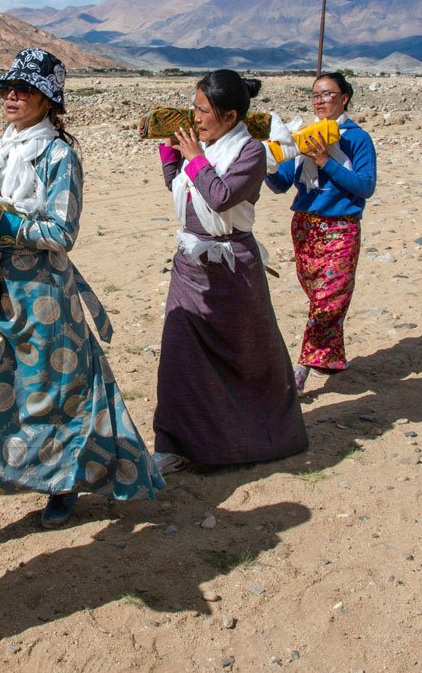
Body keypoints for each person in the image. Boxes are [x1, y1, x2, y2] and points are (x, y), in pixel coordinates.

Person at [0, 48, 160, 551]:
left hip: (44, 297)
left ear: (49, 99)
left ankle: (62, 484)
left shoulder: (60, 156)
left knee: (51, 399)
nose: (12, 96)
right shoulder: (5, 146)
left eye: (24, 89)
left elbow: (63, 231)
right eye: (7, 89)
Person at [152, 69, 308, 474]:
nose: (195, 117)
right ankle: (174, 444)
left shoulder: (251, 153)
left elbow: (220, 198)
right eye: (194, 108)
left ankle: (259, 437)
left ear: (231, 114)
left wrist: (194, 157)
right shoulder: (202, 149)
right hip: (190, 265)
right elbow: (180, 186)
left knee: (247, 356)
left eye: (203, 110)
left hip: (232, 269)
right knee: (180, 355)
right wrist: (171, 152)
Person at [265, 72, 377, 393]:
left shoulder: (357, 139)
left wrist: (326, 161)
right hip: (305, 227)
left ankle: (301, 368)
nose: (320, 100)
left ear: (344, 98)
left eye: (327, 94)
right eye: (315, 95)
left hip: (340, 226)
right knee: (319, 296)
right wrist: (268, 165)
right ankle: (330, 357)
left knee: (329, 299)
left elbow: (365, 186)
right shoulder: (301, 136)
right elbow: (282, 183)